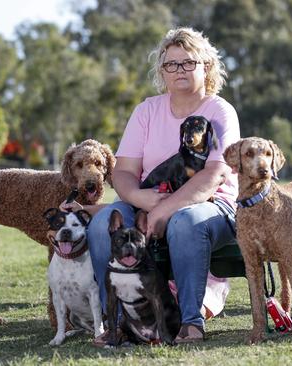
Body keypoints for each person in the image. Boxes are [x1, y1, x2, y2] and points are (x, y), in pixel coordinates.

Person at [87, 27, 240, 345]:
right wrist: (139, 197)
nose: (179, 70)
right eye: (171, 64)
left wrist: (166, 208)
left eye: (188, 62)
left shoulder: (219, 111)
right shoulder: (146, 111)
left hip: (212, 207)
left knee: (185, 222)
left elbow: (215, 173)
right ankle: (116, 324)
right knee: (103, 222)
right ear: (162, 71)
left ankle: (189, 323)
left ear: (206, 66)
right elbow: (124, 172)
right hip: (145, 200)